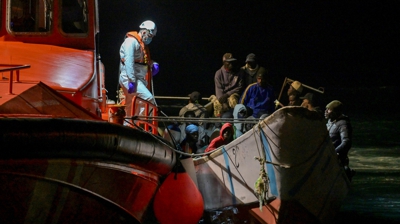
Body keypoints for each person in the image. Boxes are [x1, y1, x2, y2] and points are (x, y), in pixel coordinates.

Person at [119, 20, 159, 119]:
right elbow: (129, 61)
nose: (150, 39)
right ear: (144, 32)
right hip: (130, 78)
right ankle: (140, 124)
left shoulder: (142, 45)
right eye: (150, 36)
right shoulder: (131, 42)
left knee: (132, 105)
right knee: (148, 99)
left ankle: (128, 126)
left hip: (137, 78)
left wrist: (153, 64)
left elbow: (142, 60)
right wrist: (132, 80)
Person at [325, 100, 356, 181]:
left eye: (329, 109)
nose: (326, 111)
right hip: (326, 157)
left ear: (335, 111)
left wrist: (334, 152)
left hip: (338, 159)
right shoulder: (330, 122)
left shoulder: (343, 124)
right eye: (327, 109)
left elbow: (346, 142)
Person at [209, 53, 245, 117]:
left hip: (234, 94)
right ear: (224, 63)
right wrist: (223, 102)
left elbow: (239, 87)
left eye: (232, 62)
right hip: (222, 96)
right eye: (229, 62)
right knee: (217, 104)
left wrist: (227, 94)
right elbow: (219, 90)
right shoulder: (219, 73)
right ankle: (218, 123)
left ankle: (236, 118)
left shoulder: (239, 72)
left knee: (232, 99)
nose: (231, 64)